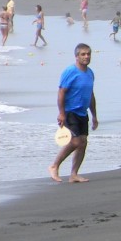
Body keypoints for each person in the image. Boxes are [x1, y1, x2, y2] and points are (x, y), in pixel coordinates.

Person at [48, 44, 98, 183]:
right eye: (83, 54)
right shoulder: (70, 71)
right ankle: (54, 165)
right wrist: (61, 113)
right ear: (76, 56)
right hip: (70, 112)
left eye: (88, 54)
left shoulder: (90, 73)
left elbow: (90, 95)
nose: (86, 56)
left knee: (83, 143)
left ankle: (74, 174)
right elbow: (61, 92)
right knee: (75, 141)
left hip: (82, 112)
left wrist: (94, 116)